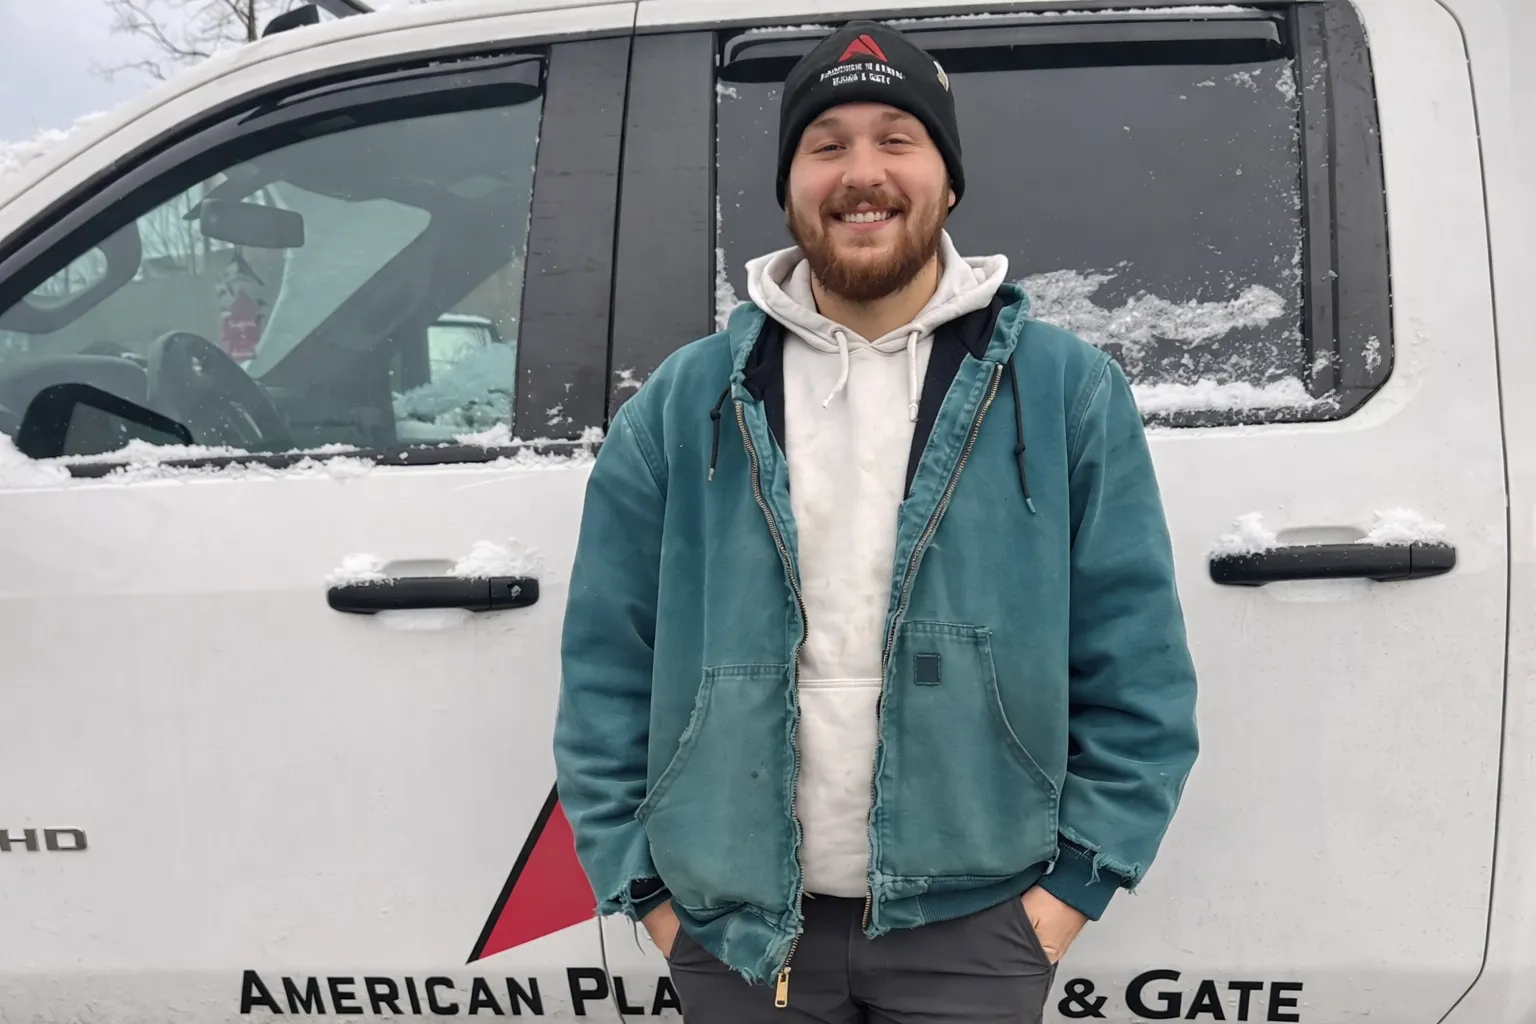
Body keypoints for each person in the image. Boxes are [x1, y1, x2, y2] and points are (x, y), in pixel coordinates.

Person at [553, 20, 1199, 1023]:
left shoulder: (1064, 391)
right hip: (737, 934)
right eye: (827, 145)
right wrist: (653, 897)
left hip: (978, 927)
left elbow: (1137, 666)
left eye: (897, 138)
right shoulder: (686, 402)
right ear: (788, 185)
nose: (862, 172)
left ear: (949, 180)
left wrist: (1066, 896)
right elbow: (606, 668)